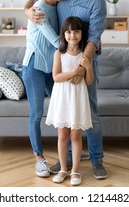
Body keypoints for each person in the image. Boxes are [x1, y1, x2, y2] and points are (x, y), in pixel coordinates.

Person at [24, 0, 108, 180]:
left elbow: (94, 37)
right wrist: (27, 10)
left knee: (91, 113)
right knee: (66, 112)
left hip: (85, 62)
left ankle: (97, 159)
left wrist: (82, 66)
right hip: (62, 62)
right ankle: (68, 162)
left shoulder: (96, 0)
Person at [22, 0, 75, 178]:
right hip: (34, 66)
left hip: (52, 68)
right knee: (36, 114)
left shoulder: (58, 5)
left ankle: (70, 153)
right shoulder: (39, 7)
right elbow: (54, 39)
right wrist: (78, 51)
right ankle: (39, 159)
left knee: (63, 111)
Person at [46, 16, 94, 185]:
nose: (72, 35)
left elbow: (89, 81)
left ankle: (75, 171)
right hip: (62, 97)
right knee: (62, 134)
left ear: (82, 33)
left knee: (75, 134)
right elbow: (56, 77)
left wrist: (87, 67)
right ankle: (62, 169)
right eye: (68, 31)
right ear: (63, 34)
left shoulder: (85, 55)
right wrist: (75, 72)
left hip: (77, 98)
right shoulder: (59, 53)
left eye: (76, 31)